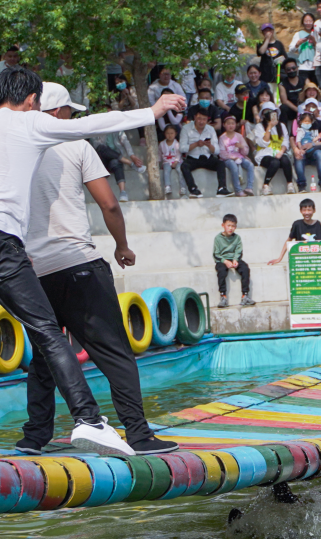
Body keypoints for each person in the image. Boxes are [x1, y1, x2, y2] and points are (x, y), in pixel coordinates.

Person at [0, 66, 185, 454]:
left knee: (45, 351)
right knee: (110, 351)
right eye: (68, 111)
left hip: (32, 266)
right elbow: (109, 202)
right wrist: (150, 113)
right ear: (38, 106)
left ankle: (35, 437)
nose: (71, 118)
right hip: (72, 262)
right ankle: (131, 432)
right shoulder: (45, 132)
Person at [90, 105, 147, 203]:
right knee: (102, 148)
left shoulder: (117, 128)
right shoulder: (96, 129)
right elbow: (96, 147)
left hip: (114, 158)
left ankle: (123, 192)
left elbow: (125, 141)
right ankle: (130, 163)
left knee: (116, 162)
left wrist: (132, 155)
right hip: (100, 160)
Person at [179, 107, 232, 198]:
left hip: (207, 157)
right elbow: (182, 149)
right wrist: (196, 144)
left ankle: (221, 188)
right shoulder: (186, 128)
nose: (201, 122)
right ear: (195, 117)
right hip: (192, 158)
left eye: (204, 119)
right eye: (199, 119)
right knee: (184, 166)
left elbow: (217, 151)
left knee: (220, 164)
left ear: (207, 119)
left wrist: (209, 145)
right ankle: (193, 189)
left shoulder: (211, 129)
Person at [268, 198, 321, 264]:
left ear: (314, 210)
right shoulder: (297, 224)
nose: (307, 213)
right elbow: (289, 240)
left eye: (309, 210)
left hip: (315, 259)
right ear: (300, 211)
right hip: (301, 259)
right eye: (304, 210)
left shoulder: (318, 224)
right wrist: (279, 258)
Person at [214, 214, 255, 308]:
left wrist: (235, 260)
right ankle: (223, 295)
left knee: (245, 268)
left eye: (233, 226)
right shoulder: (218, 238)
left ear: (235, 227)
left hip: (234, 259)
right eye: (228, 225)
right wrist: (225, 261)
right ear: (223, 225)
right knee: (221, 271)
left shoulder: (237, 238)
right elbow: (216, 254)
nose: (230, 228)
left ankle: (245, 295)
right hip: (222, 260)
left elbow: (238, 250)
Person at [254, 102, 294, 196]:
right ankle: (266, 185)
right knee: (275, 162)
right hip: (265, 154)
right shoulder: (259, 126)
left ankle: (290, 184)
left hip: (278, 152)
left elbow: (285, 142)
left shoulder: (282, 126)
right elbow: (263, 143)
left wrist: (281, 152)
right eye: (267, 112)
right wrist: (269, 127)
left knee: (285, 159)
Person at [297, 80, 321, 157]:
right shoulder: (300, 106)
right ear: (305, 93)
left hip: (319, 126)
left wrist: (317, 115)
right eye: (309, 91)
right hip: (306, 127)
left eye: (313, 90)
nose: (311, 92)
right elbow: (300, 120)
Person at [219, 113, 255, 197]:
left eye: (232, 123)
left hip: (239, 157)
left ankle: (249, 187)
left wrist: (241, 147)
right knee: (233, 167)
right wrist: (232, 157)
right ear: (224, 125)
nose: (231, 126)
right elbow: (222, 153)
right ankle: (238, 190)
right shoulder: (222, 137)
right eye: (228, 124)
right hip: (228, 159)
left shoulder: (239, 136)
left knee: (250, 165)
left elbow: (245, 151)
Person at [293, 112, 321, 193]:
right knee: (299, 157)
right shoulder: (298, 128)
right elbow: (294, 139)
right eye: (305, 121)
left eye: (308, 121)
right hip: (302, 150)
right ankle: (301, 185)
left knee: (320, 153)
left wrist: (313, 142)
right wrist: (298, 149)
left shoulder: (320, 124)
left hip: (313, 151)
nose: (307, 123)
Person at [112, 73, 145, 145]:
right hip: (121, 114)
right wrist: (123, 98)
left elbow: (135, 105)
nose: (119, 84)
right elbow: (116, 108)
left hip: (133, 112)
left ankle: (142, 138)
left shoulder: (132, 89)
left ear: (125, 81)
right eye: (117, 83)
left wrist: (128, 95)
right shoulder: (114, 93)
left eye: (121, 81)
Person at [159, 124, 188, 198]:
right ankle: (167, 186)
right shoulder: (162, 144)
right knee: (166, 171)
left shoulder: (177, 144)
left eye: (172, 133)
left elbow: (178, 154)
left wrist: (176, 161)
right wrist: (159, 161)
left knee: (180, 170)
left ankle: (183, 187)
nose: (170, 135)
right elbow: (159, 154)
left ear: (175, 133)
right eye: (167, 133)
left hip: (177, 161)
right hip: (166, 161)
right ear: (164, 134)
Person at [257, 23, 287, 91]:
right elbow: (261, 52)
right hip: (266, 75)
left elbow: (285, 57)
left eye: (269, 30)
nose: (268, 32)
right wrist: (267, 40)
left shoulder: (279, 44)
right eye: (265, 31)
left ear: (273, 31)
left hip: (278, 75)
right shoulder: (260, 43)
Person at [289, 13, 317, 82]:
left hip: (315, 66)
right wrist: (298, 44)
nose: (308, 23)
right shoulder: (298, 34)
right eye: (306, 21)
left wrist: (314, 41)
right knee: (304, 86)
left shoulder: (316, 33)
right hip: (302, 66)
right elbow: (291, 50)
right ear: (303, 22)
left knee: (315, 88)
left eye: (310, 21)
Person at [279, 58, 307, 128]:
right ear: (285, 71)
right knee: (283, 108)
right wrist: (297, 110)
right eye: (288, 69)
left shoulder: (305, 80)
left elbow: (311, 93)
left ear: (297, 68)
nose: (291, 70)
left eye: (293, 68)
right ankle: (283, 131)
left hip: (305, 107)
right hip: (291, 108)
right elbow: (284, 101)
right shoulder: (282, 84)